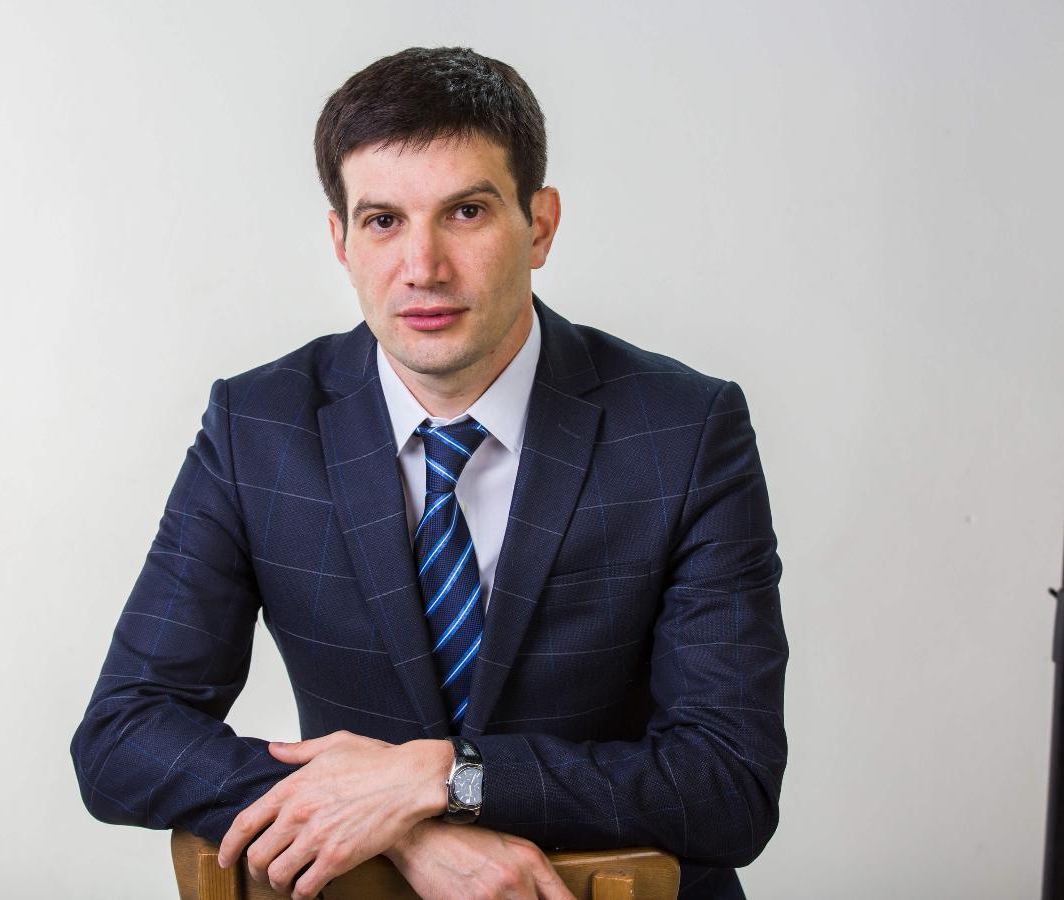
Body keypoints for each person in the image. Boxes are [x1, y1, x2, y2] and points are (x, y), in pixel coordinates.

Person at [71, 46, 787, 900]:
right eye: (383, 221)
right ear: (340, 241)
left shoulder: (685, 430)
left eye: (467, 212)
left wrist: (446, 779)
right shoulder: (256, 426)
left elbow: (730, 784)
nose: (423, 267)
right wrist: (394, 822)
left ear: (540, 225)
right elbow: (122, 737)